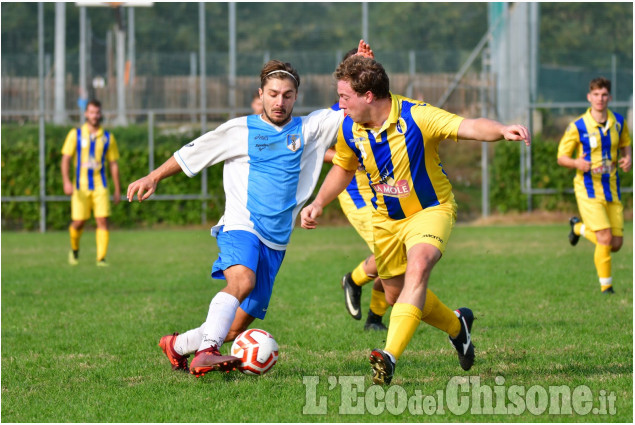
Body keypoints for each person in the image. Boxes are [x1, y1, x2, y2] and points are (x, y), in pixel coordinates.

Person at [127, 41, 373, 377]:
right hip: (240, 226)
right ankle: (207, 353)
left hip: (276, 242)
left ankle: (177, 345)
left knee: (233, 328)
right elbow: (194, 152)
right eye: (273, 93)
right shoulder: (240, 130)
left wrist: (357, 66)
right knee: (241, 281)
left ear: (295, 97)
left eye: (287, 95)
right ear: (261, 93)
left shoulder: (309, 129)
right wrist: (154, 176)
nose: (279, 101)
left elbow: (346, 105)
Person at [301, 55, 531, 385]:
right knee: (396, 295)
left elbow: (467, 125)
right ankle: (457, 326)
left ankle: (389, 356)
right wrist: (319, 202)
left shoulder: (416, 116)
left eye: (344, 97)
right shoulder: (350, 127)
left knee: (419, 266)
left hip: (430, 210)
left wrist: (500, 129)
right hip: (386, 221)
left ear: (368, 96)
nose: (339, 105)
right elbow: (343, 167)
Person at [557, 77, 632, 294]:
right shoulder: (578, 126)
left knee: (615, 243)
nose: (600, 99)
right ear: (589, 97)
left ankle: (577, 227)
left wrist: (628, 158)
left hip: (612, 188)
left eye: (604, 94)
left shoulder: (618, 121)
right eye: (596, 94)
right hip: (587, 188)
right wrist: (576, 162)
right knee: (605, 238)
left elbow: (626, 144)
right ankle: (606, 286)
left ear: (610, 97)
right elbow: (562, 157)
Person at [61, 99, 121, 267]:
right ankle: (74, 250)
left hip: (100, 186)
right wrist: (66, 181)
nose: (95, 115)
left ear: (101, 114)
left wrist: (117, 189)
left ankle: (101, 258)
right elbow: (65, 159)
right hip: (80, 187)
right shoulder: (75, 135)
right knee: (79, 222)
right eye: (92, 112)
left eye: (97, 112)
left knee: (102, 220)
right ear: (86, 114)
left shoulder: (108, 137)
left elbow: (113, 164)